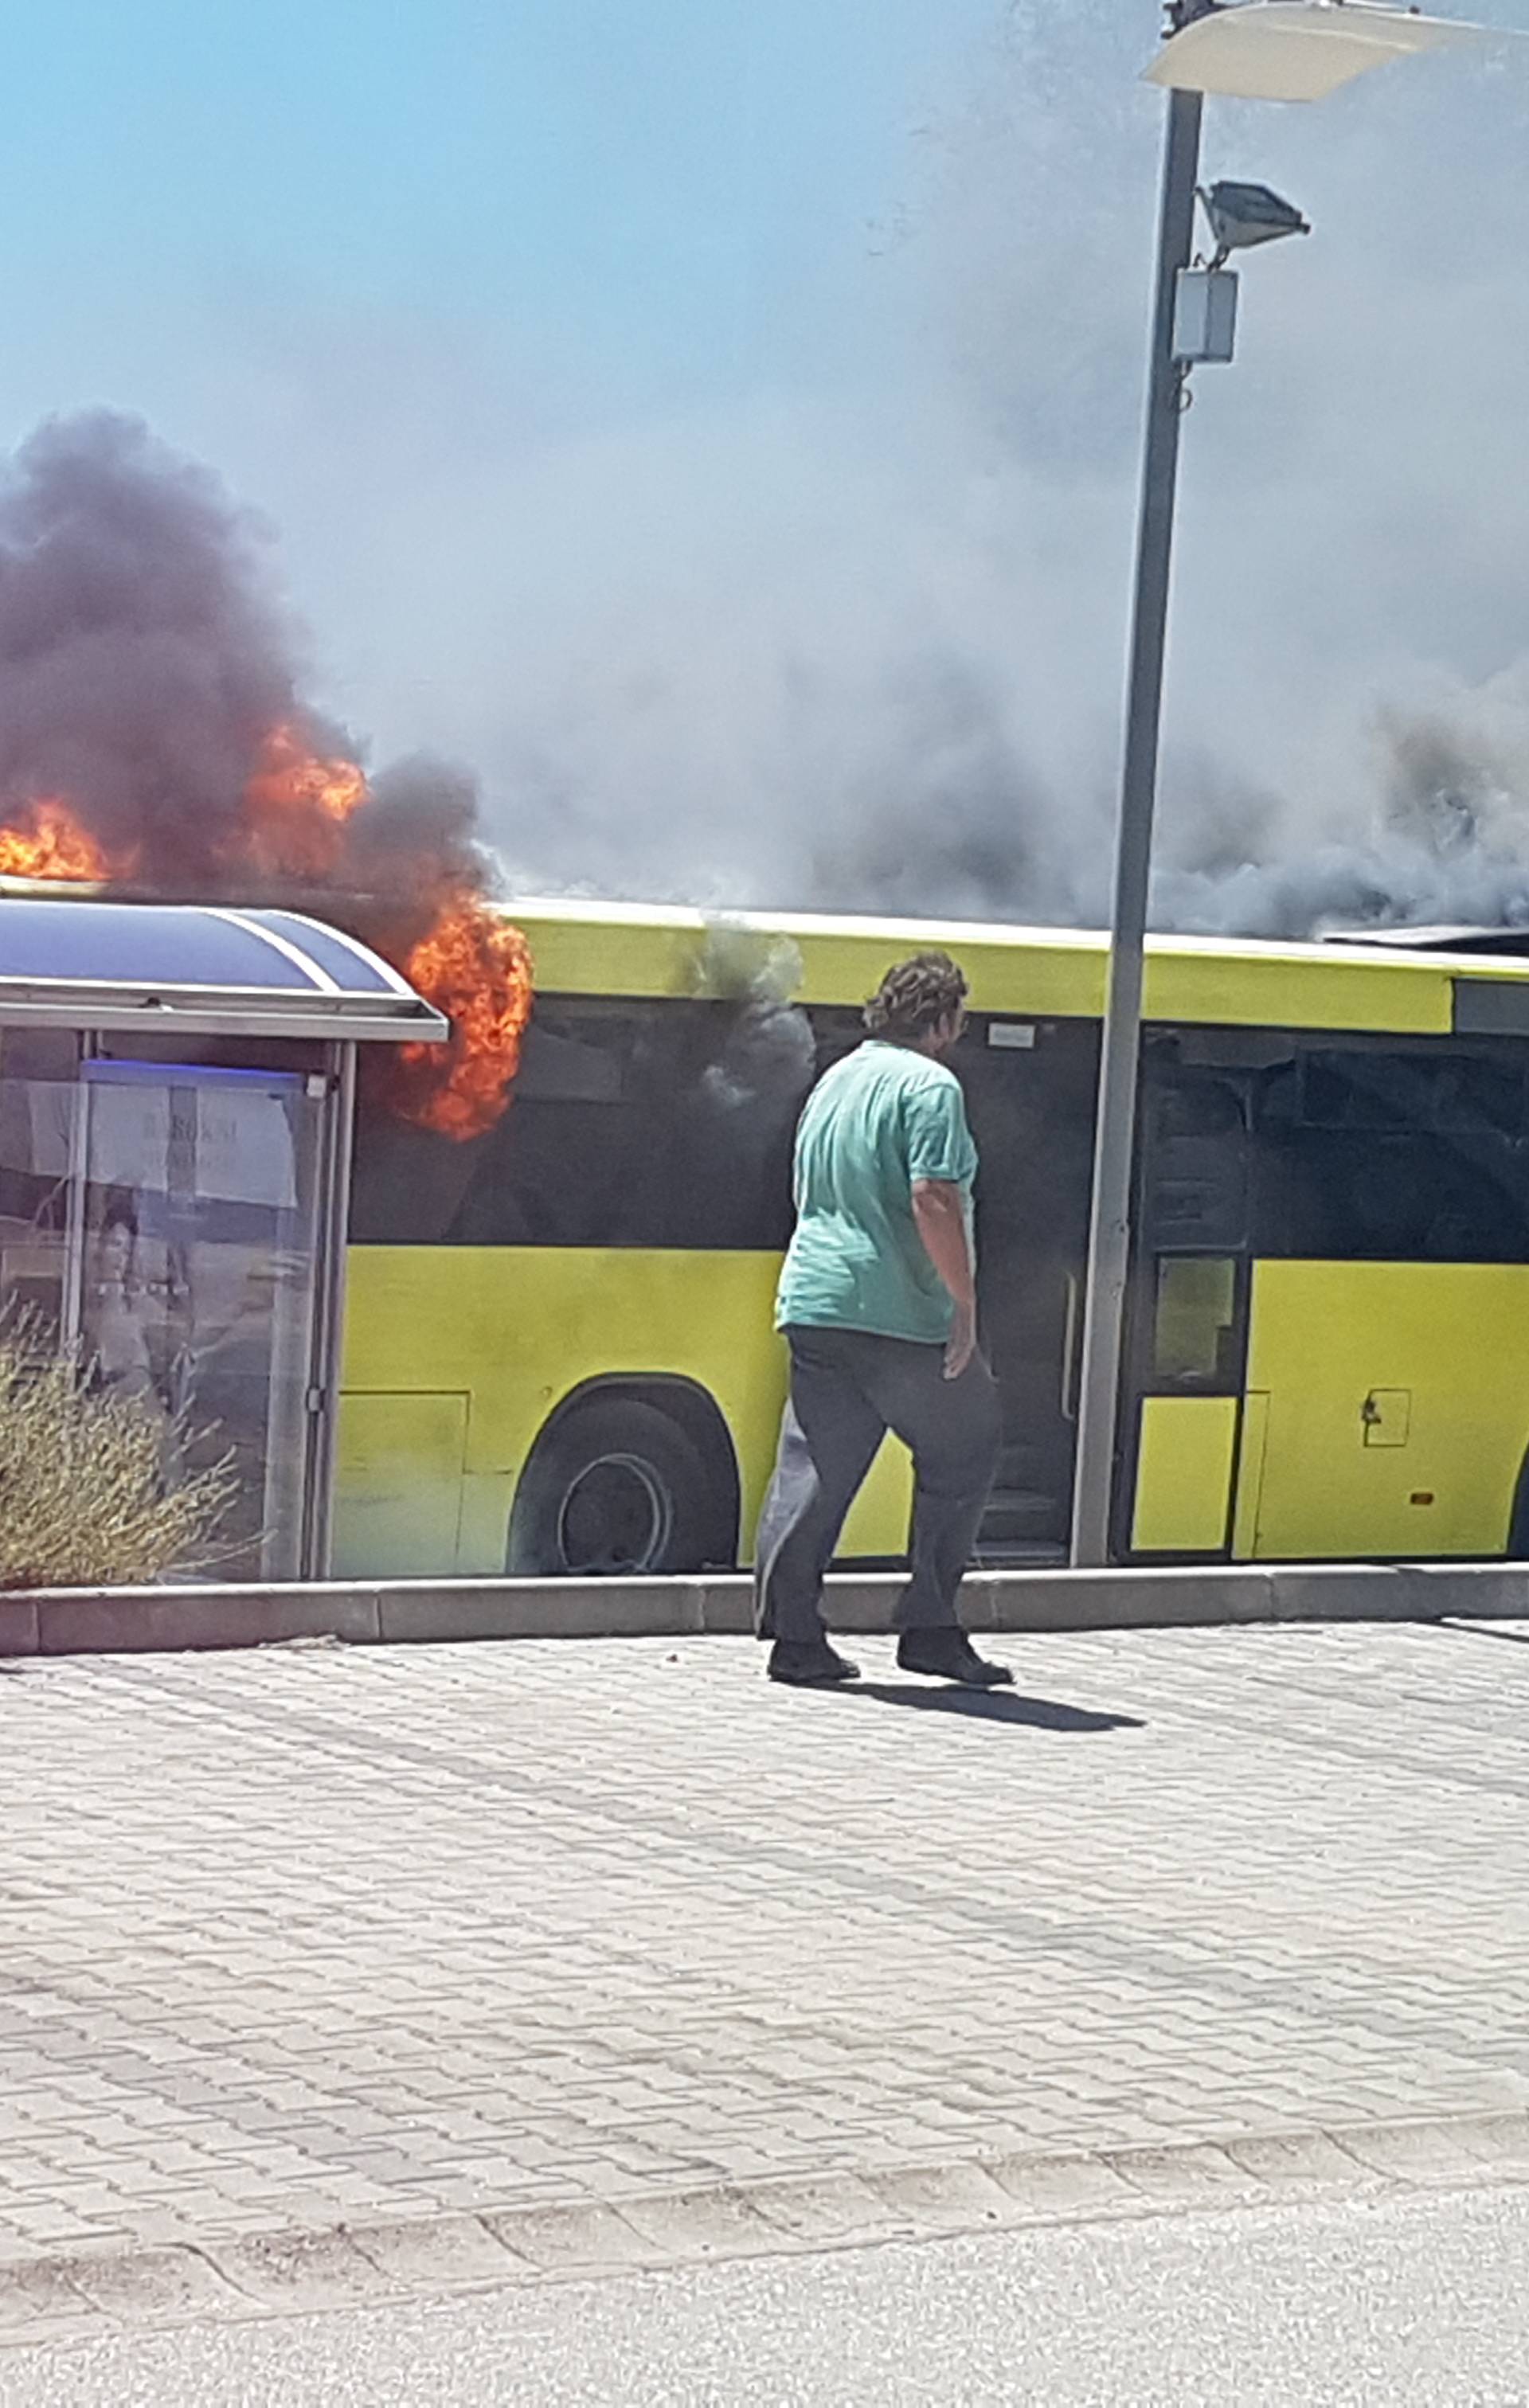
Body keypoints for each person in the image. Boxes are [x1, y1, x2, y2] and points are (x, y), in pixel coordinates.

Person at [754, 950, 1011, 1688]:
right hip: (896, 1311)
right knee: (967, 1445)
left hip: (813, 1300)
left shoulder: (836, 1079)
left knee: (815, 1467)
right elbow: (933, 1196)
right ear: (943, 1021)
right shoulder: (931, 1087)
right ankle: (930, 1624)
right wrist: (963, 1304)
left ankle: (795, 1637)